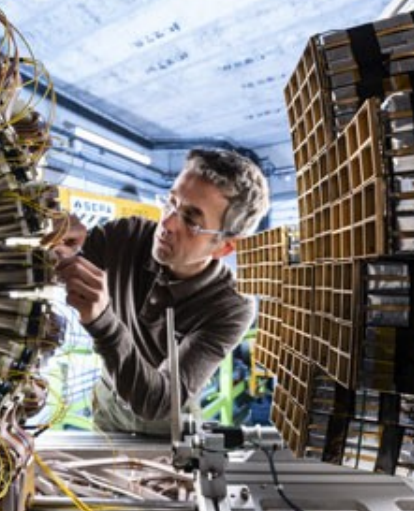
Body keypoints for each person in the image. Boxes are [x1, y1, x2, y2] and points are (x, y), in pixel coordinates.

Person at [52, 148, 270, 435]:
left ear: (224, 246)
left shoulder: (231, 306)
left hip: (166, 429)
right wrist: (55, 235)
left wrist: (102, 321)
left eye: (192, 220)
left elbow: (160, 400)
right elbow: (57, 265)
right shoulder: (126, 237)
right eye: (170, 202)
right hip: (108, 408)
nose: (166, 224)